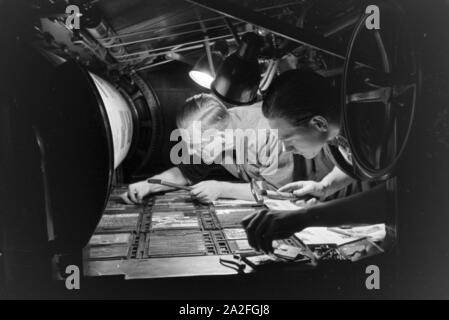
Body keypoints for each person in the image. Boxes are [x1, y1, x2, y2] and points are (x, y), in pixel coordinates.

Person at [242, 70, 391, 253]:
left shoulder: (383, 132)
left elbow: (396, 197)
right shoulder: (340, 131)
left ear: (319, 123)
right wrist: (324, 187)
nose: (286, 149)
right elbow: (358, 163)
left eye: (288, 139)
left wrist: (305, 217)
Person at [123, 93, 297, 204]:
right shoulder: (214, 125)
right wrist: (149, 185)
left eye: (196, 146)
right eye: (188, 144)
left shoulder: (267, 134)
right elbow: (187, 172)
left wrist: (221, 189)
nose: (191, 152)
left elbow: (280, 192)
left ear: (221, 137)